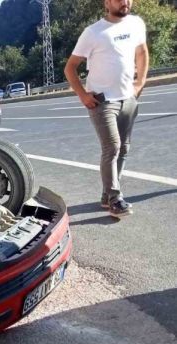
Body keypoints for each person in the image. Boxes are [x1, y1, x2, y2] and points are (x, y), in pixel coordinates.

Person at [64, 0, 149, 218]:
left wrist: (139, 84)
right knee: (112, 146)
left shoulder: (136, 24)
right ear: (107, 2)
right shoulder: (93, 32)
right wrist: (83, 95)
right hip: (102, 102)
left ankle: (106, 195)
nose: (125, 2)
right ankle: (114, 198)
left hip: (128, 98)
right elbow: (70, 67)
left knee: (124, 149)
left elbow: (142, 53)